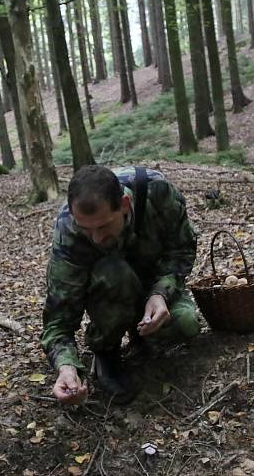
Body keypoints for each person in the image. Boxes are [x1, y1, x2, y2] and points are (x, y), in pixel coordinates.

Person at [41, 166, 201, 405]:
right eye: (86, 229)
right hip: (110, 293)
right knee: (115, 273)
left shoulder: (157, 193)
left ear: (124, 205)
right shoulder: (68, 229)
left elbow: (182, 249)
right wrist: (66, 366)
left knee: (186, 323)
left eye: (103, 226)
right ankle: (106, 351)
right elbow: (58, 319)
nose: (96, 238)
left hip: (154, 288)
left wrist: (161, 293)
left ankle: (143, 335)